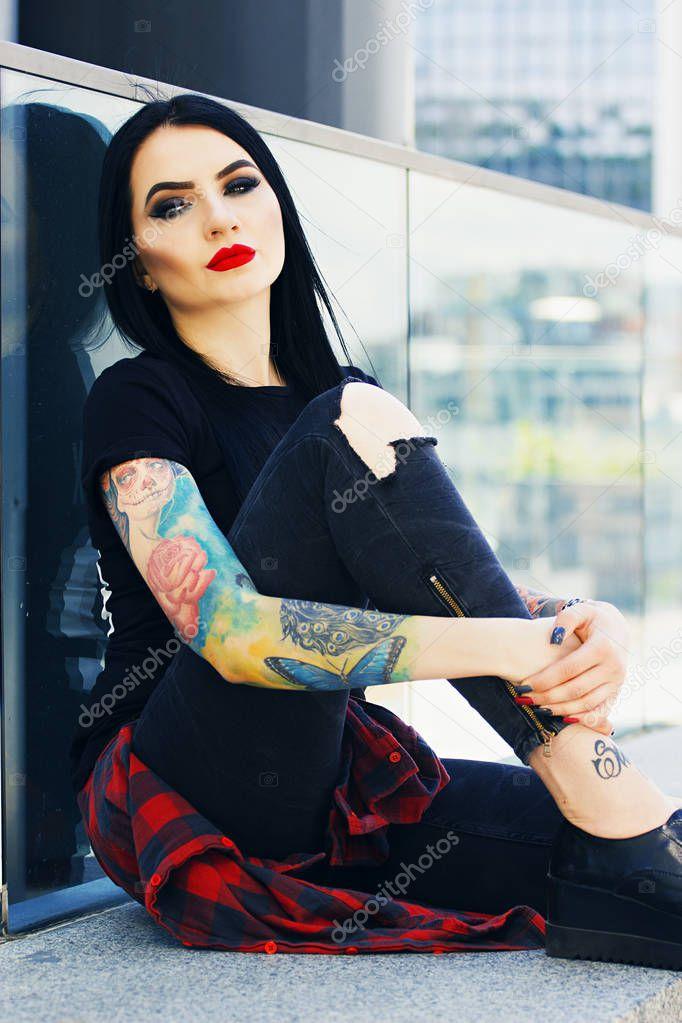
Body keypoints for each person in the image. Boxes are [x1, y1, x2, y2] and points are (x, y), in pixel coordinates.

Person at [71, 91, 682, 968]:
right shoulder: (138, 397)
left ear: (277, 205)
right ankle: (613, 799)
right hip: (182, 772)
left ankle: (625, 821)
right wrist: (515, 647)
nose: (218, 218)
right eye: (172, 206)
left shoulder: (338, 393)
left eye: (239, 185)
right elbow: (231, 635)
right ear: (137, 265)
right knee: (346, 417)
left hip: (330, 777)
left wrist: (581, 621)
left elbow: (439, 572)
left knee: (600, 855)